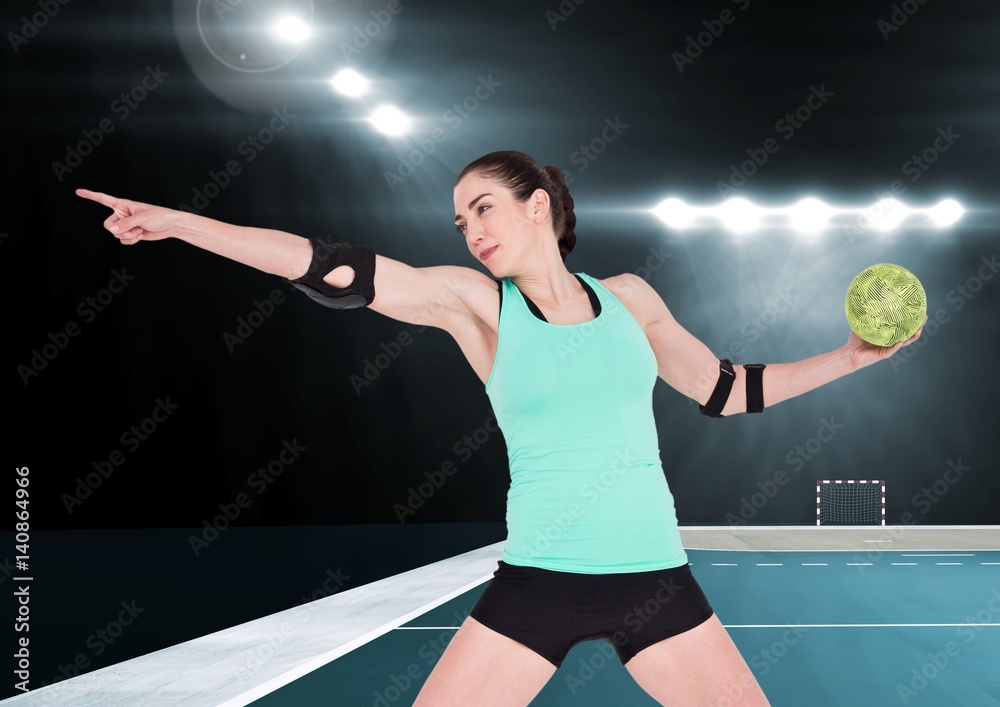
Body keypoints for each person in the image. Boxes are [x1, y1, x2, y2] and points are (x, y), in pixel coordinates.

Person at [77, 150, 925, 706]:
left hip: (658, 583)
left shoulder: (632, 298)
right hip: (538, 585)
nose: (471, 231)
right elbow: (330, 267)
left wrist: (851, 359)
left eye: (483, 208)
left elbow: (727, 390)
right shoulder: (478, 306)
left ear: (540, 204)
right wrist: (182, 223)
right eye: (459, 222)